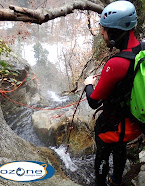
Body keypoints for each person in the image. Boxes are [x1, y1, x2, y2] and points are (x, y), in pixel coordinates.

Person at [84, 1, 143, 185]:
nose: (102, 33)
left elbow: (93, 102)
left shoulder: (116, 63)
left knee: (103, 154)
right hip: (134, 124)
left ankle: (101, 182)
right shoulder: (142, 49)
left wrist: (88, 84)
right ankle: (117, 180)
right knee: (120, 148)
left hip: (114, 126)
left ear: (116, 32)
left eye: (105, 29)